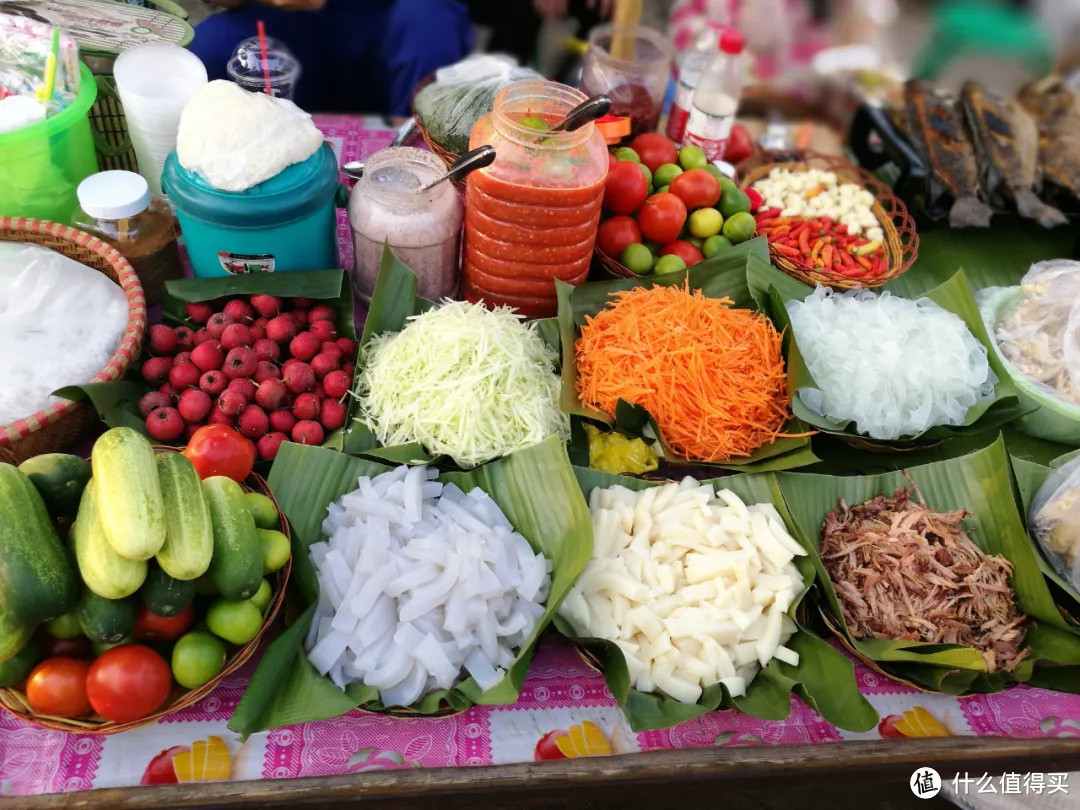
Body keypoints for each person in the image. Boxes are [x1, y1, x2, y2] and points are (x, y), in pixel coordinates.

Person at [189, 0, 474, 115]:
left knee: (430, 28)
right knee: (206, 51)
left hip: (390, 21)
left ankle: (419, 170)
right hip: (285, 26)